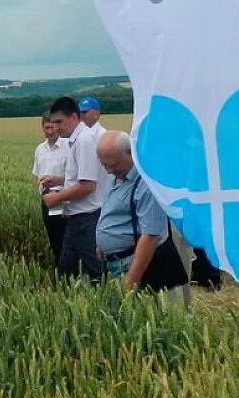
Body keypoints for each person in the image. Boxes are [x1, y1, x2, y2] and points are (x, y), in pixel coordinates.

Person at [95, 131, 187, 295]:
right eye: (104, 165)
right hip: (112, 263)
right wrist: (103, 244)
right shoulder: (115, 177)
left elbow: (150, 236)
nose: (108, 170)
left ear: (130, 152)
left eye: (113, 164)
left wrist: (130, 281)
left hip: (132, 265)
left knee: (137, 315)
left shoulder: (145, 184)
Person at [44, 97, 104, 280]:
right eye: (52, 123)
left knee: (95, 271)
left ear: (73, 117)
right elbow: (80, 177)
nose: (56, 127)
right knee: (65, 268)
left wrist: (57, 198)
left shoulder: (84, 141)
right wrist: (57, 179)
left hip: (88, 218)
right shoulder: (75, 140)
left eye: (59, 122)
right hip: (76, 217)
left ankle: (107, 304)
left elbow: (88, 185)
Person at [32, 111, 69, 264]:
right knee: (53, 237)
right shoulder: (40, 149)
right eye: (46, 128)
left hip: (64, 200)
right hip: (47, 200)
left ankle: (68, 271)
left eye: (53, 127)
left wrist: (54, 180)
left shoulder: (68, 146)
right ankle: (58, 267)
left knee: (65, 238)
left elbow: (76, 178)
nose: (50, 131)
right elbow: (37, 174)